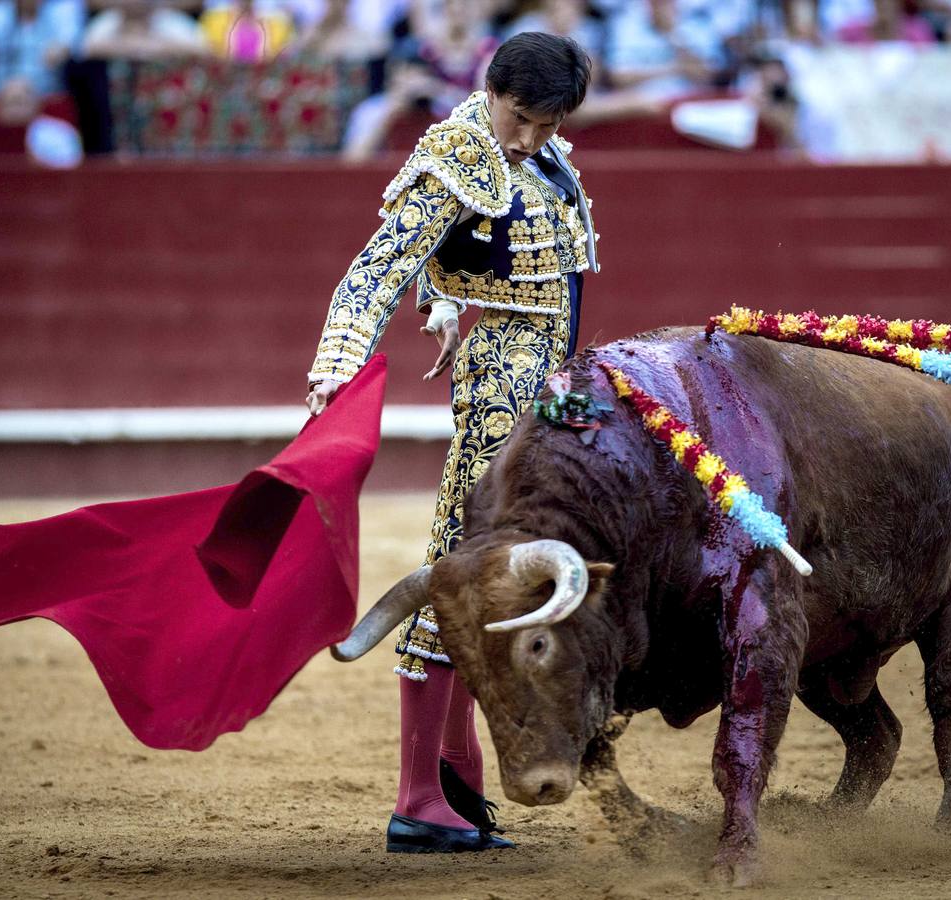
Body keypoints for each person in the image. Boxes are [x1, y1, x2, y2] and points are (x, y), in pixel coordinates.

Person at [305, 31, 598, 853]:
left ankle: (457, 772)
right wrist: (336, 363)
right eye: (520, 117)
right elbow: (375, 269)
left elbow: (497, 261)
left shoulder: (542, 158)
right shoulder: (455, 155)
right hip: (503, 376)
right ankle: (416, 796)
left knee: (512, 566)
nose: (529, 136)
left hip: (551, 380)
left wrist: (444, 300)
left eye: (546, 123)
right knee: (465, 563)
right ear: (489, 87)